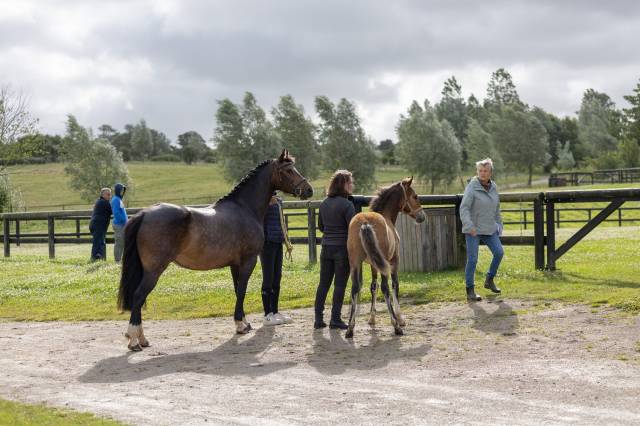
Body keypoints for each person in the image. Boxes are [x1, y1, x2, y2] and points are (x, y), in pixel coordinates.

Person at [314, 170, 356, 330]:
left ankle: (318, 319)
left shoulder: (324, 203)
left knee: (323, 284)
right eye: (350, 182)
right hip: (342, 249)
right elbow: (352, 228)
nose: (352, 185)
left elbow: (321, 227)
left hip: (326, 248)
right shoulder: (347, 205)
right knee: (339, 285)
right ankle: (335, 319)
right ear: (344, 184)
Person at [459, 158, 504, 302]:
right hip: (473, 229)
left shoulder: (494, 187)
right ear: (477, 172)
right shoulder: (472, 187)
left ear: (490, 172)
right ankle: (470, 290)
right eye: (480, 171)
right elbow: (464, 208)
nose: (483, 173)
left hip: (490, 227)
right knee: (472, 259)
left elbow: (497, 208)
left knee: (499, 252)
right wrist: (469, 225)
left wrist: (499, 224)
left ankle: (489, 280)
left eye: (486, 171)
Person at [260, 192, 294, 326]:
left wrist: (286, 241)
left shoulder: (278, 201)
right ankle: (267, 314)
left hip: (278, 242)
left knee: (277, 277)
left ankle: (275, 311)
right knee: (268, 278)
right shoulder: (262, 200)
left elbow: (282, 222)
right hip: (267, 243)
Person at [89, 188, 112, 261]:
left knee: (99, 242)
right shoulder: (104, 202)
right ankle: (95, 259)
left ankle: (98, 259)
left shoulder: (100, 201)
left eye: (110, 194)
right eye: (108, 194)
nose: (109, 196)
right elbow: (113, 210)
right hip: (98, 226)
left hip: (97, 225)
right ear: (103, 195)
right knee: (98, 243)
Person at [110, 183, 128, 263]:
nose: (122, 192)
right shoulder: (115, 200)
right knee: (119, 243)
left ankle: (121, 260)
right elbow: (116, 213)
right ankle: (117, 261)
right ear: (117, 190)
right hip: (119, 225)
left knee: (123, 243)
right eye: (121, 190)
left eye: (123, 190)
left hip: (123, 224)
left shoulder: (118, 199)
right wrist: (124, 221)